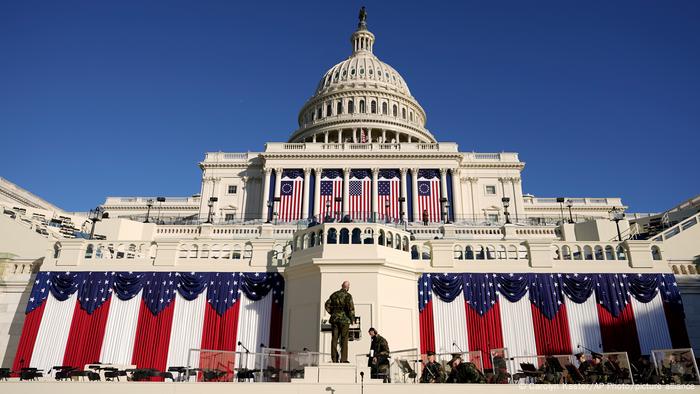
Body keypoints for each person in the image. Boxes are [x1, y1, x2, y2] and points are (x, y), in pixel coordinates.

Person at [324, 281, 355, 363]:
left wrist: (332, 313)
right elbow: (351, 308)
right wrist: (352, 319)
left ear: (342, 286)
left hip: (334, 320)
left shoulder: (334, 295)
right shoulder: (348, 296)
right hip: (344, 320)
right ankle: (343, 359)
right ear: (348, 287)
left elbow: (327, 305)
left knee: (334, 339)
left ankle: (334, 359)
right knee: (344, 339)